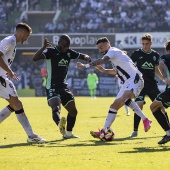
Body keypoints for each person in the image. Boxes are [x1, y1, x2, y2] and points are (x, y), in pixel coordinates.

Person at [76, 37, 152, 140]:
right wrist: (104, 70)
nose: (100, 50)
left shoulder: (113, 51)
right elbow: (117, 72)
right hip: (127, 82)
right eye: (99, 49)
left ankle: (145, 119)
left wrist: (86, 66)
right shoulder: (115, 57)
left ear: (108, 44)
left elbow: (102, 60)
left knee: (124, 98)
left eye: (101, 47)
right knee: (114, 106)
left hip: (135, 79)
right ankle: (104, 131)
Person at [32, 34, 91, 139]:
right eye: (64, 46)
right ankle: (60, 124)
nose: (66, 48)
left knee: (73, 111)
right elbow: (34, 58)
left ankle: (68, 134)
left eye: (68, 46)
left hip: (63, 86)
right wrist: (43, 47)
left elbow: (81, 55)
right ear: (59, 43)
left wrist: (86, 57)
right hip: (52, 86)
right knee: (56, 107)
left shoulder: (69, 53)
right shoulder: (51, 51)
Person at [0, 22, 46, 143]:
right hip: (1, 78)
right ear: (22, 33)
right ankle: (31, 136)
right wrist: (9, 71)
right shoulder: (9, 41)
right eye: (27, 36)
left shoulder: (12, 43)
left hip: (3, 77)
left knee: (15, 105)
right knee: (17, 104)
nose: (26, 39)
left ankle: (31, 135)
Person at [129, 33, 167, 138]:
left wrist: (164, 79)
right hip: (139, 85)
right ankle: (135, 131)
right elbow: (130, 68)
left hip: (152, 85)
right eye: (143, 44)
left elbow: (156, 70)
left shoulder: (155, 55)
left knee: (161, 106)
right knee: (139, 105)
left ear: (151, 43)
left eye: (147, 44)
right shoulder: (136, 54)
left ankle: (168, 131)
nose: (144, 46)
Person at [150, 40, 170, 144]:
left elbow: (161, 64)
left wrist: (165, 78)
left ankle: (168, 133)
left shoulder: (165, 57)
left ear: (167, 50)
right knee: (160, 107)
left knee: (154, 107)